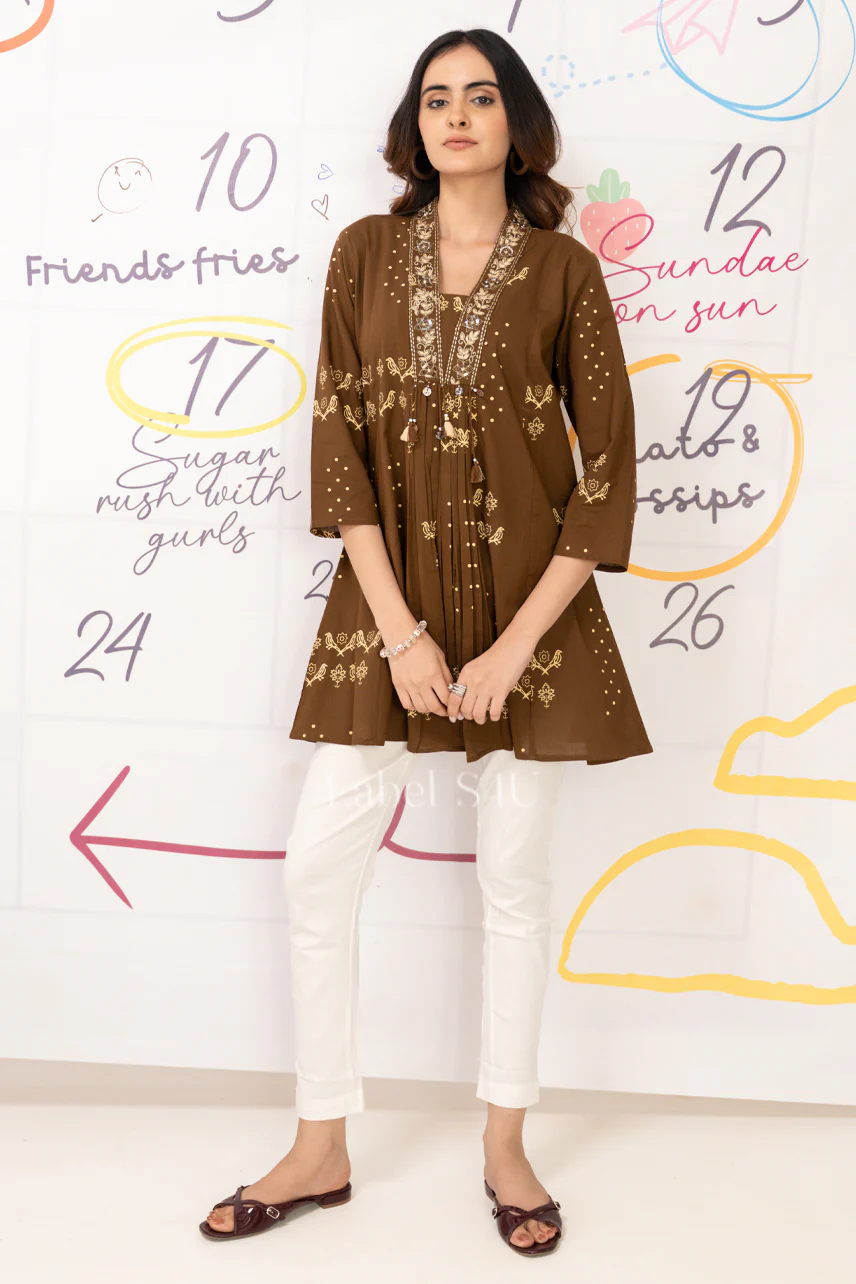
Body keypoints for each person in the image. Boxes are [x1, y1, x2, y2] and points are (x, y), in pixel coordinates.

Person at [200, 27, 652, 1256]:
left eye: (481, 96)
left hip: (529, 614)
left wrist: (511, 649)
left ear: (517, 125)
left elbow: (606, 470)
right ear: (414, 126)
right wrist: (400, 634)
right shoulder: (362, 254)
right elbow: (339, 443)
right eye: (436, 97)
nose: (456, 114)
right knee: (316, 868)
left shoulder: (563, 271)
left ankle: (505, 1145)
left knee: (514, 880)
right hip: (384, 606)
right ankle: (321, 1143)